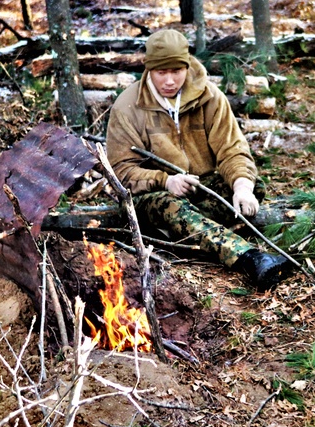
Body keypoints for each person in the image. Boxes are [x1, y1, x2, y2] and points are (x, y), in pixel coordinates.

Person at [106, 29, 292, 290]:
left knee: (253, 186)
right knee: (171, 208)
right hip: (154, 198)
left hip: (201, 188)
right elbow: (121, 171)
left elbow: (232, 149)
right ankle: (250, 257)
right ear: (148, 69)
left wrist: (242, 186)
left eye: (176, 71)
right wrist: (165, 180)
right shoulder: (127, 106)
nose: (170, 80)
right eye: (161, 73)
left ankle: (182, 234)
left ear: (187, 65)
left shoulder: (210, 96)